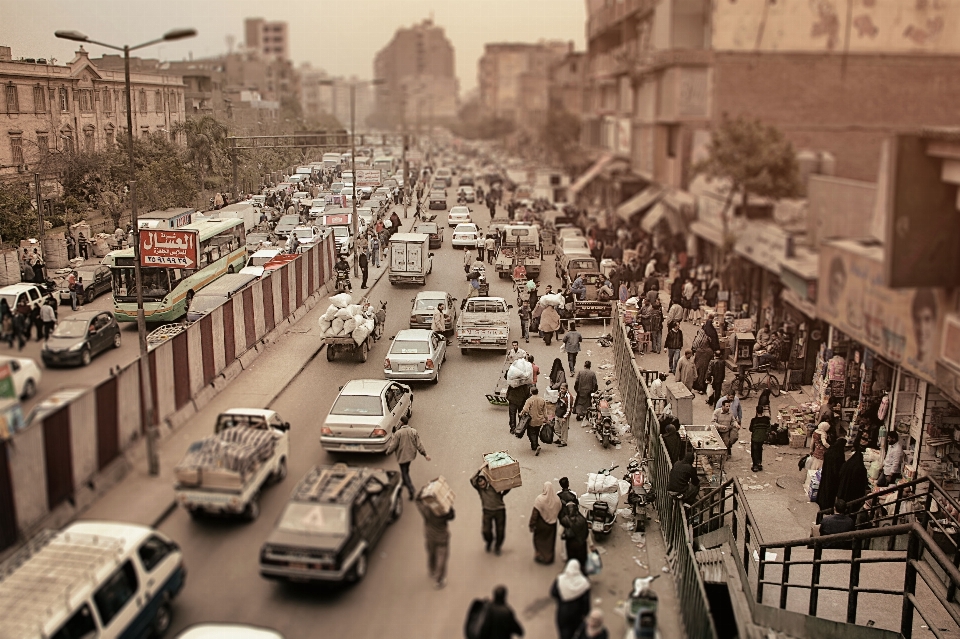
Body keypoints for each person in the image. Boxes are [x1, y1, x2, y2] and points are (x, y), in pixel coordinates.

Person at [415, 486, 455, 589]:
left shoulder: (427, 511)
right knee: (441, 558)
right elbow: (452, 516)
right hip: (442, 538)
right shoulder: (443, 513)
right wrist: (448, 505)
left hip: (430, 537)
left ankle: (432, 570)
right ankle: (439, 580)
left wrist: (423, 490)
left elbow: (418, 500)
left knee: (431, 554)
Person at [384, 415, 431, 501]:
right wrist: (425, 454)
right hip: (410, 455)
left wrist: (388, 452)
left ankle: (411, 489)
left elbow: (393, 445)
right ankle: (405, 482)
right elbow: (419, 444)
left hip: (402, 456)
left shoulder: (398, 433)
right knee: (406, 470)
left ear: (401, 422)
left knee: (404, 472)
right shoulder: (413, 431)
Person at [470, 470, 510, 555]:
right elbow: (472, 479)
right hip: (487, 511)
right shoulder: (480, 490)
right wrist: (480, 469)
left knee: (500, 531)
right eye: (480, 485)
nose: (482, 486)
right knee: (486, 531)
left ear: (486, 481)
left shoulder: (495, 485)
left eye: (483, 484)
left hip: (500, 510)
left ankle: (497, 546)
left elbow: (508, 486)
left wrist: (503, 494)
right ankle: (489, 541)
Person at [550, 559, 592, 639]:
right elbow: (586, 604)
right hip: (577, 614)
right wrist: (585, 614)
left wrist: (561, 598)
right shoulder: (584, 583)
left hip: (563, 612)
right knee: (575, 633)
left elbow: (553, 593)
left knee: (563, 633)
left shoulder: (560, 579)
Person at [530, 481, 562, 564]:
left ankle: (540, 555)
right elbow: (559, 510)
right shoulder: (557, 500)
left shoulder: (540, 499)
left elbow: (535, 514)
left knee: (538, 540)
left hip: (541, 524)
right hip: (552, 525)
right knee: (550, 541)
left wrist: (532, 524)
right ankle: (549, 558)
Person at [816, 437, 847, 516]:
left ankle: (822, 505)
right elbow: (839, 467)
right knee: (830, 493)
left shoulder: (830, 451)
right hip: (833, 478)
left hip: (826, 474)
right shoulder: (839, 454)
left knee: (824, 489)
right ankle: (828, 508)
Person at [558, 502, 589, 571]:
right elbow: (587, 533)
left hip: (571, 545)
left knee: (572, 562)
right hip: (581, 544)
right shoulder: (582, 520)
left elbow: (560, 533)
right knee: (582, 563)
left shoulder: (565, 520)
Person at [521, 387, 547, 455]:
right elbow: (545, 411)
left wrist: (521, 413)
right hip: (540, 420)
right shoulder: (542, 400)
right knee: (536, 432)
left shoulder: (529, 400)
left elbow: (525, 409)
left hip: (532, 420)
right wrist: (546, 419)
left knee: (530, 433)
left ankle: (536, 446)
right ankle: (534, 445)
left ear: (531, 392)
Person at [748, 406, 771, 472]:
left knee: (754, 451)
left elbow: (750, 429)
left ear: (756, 411)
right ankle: (759, 463)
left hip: (755, 438)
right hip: (762, 438)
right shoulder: (766, 420)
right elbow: (769, 428)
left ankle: (755, 465)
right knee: (760, 449)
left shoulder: (754, 420)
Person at [555, 382, 573, 447]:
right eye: (561, 388)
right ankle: (560, 438)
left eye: (563, 389)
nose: (562, 390)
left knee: (564, 429)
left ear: (566, 389)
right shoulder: (560, 393)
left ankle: (563, 442)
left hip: (563, 415)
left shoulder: (568, 397)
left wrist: (565, 417)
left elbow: (569, 408)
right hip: (558, 414)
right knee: (556, 428)